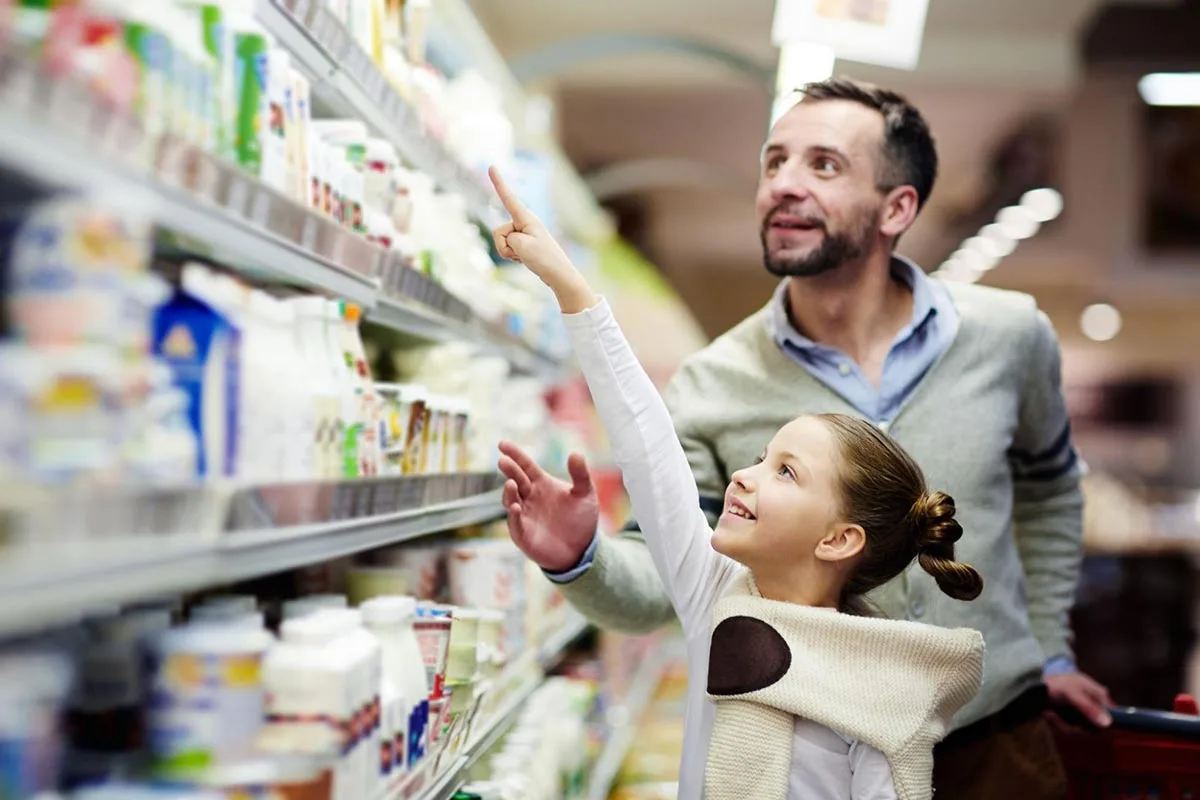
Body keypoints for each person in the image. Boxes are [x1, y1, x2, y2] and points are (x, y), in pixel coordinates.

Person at [499, 78, 1113, 799]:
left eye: (823, 164)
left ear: (897, 207)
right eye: (773, 162)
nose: (783, 185)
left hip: (1001, 736)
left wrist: (1052, 649)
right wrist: (583, 558)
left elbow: (1050, 492)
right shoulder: (715, 394)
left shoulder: (1012, 337)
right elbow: (652, 484)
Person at [489, 164, 985, 800]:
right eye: (760, 458)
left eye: (785, 472)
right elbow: (648, 446)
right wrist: (569, 287)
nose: (745, 478)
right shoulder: (717, 598)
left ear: (838, 539)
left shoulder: (881, 691)